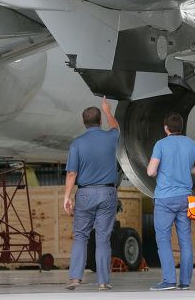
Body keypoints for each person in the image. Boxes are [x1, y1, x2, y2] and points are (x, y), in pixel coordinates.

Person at [146, 112, 195, 291]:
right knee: (185, 241)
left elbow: (151, 171)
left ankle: (169, 280)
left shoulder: (161, 144)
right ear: (181, 127)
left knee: (164, 240)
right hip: (185, 198)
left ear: (166, 128)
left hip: (165, 199)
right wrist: (188, 170)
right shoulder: (192, 144)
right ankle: (185, 282)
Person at [63, 96, 120, 291]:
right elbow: (116, 128)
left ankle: (75, 278)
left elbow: (72, 173)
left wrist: (67, 196)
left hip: (85, 194)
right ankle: (103, 282)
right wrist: (108, 110)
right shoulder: (110, 137)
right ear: (100, 121)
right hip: (107, 192)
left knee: (80, 236)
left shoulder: (77, 143)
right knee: (103, 238)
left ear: (83, 122)